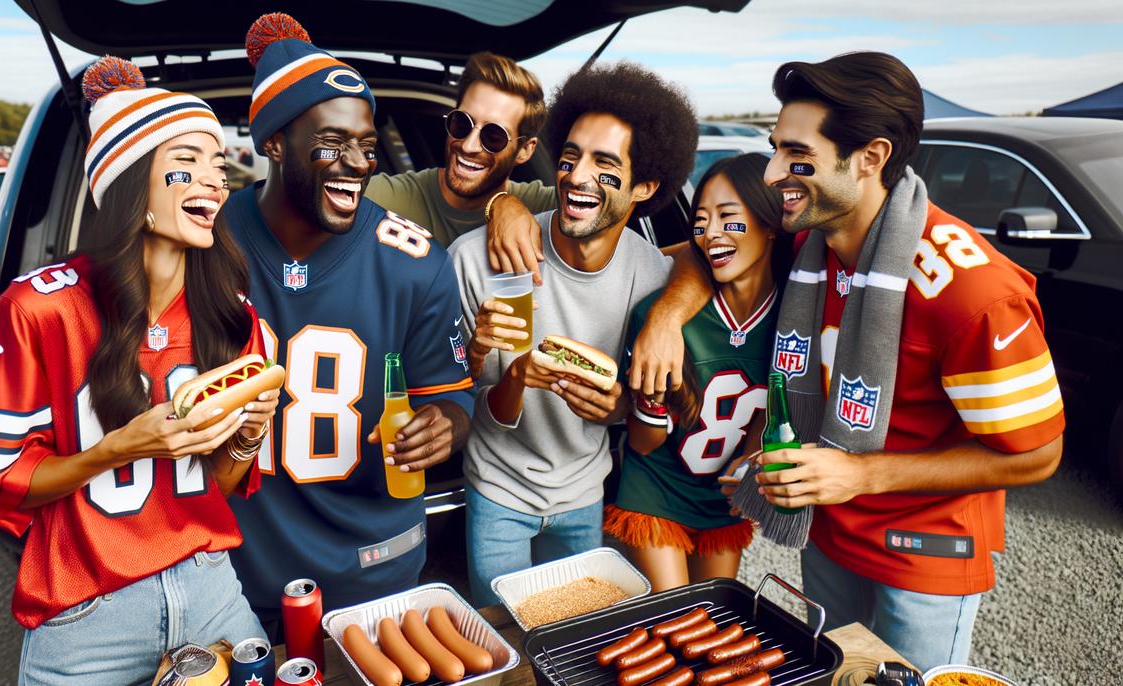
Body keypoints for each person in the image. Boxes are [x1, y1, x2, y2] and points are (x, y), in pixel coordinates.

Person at [637, 52, 1059, 670]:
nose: (776, 171)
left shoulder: (975, 295)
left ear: (871, 158)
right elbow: (702, 249)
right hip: (827, 536)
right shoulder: (811, 238)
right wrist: (665, 317)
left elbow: (1039, 454)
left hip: (923, 557)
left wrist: (862, 475)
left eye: (797, 158)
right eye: (776, 149)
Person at [0, 57, 274, 685]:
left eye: (221, 164)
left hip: (211, 587)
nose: (216, 180)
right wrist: (118, 449)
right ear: (130, 179)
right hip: (86, 607)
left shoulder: (235, 317)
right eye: (190, 159)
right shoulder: (40, 308)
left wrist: (245, 435)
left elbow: (223, 482)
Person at [222, 14, 475, 631]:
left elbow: (454, 400)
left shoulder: (415, 263)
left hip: (374, 563)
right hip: (227, 569)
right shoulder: (207, 241)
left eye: (367, 145)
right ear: (274, 141)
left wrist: (441, 427)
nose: (357, 164)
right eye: (332, 143)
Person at [449, 62, 697, 606]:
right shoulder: (473, 261)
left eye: (605, 165)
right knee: (506, 646)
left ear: (645, 186)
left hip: (587, 495)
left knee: (577, 649)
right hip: (495, 491)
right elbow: (459, 406)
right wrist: (495, 362)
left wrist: (619, 408)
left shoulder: (654, 281)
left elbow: (654, 418)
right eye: (569, 159)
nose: (577, 176)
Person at [605, 154, 791, 592]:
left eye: (729, 217)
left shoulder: (794, 314)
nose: (711, 234)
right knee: (672, 620)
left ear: (769, 222)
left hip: (722, 502)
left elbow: (779, 403)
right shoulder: (660, 316)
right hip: (657, 493)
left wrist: (753, 456)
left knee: (715, 619)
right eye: (701, 221)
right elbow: (643, 442)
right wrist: (649, 397)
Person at [366, 52, 556, 251]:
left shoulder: (542, 207)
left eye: (493, 136)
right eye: (462, 123)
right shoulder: (384, 199)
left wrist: (506, 202)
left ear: (524, 150)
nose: (468, 146)